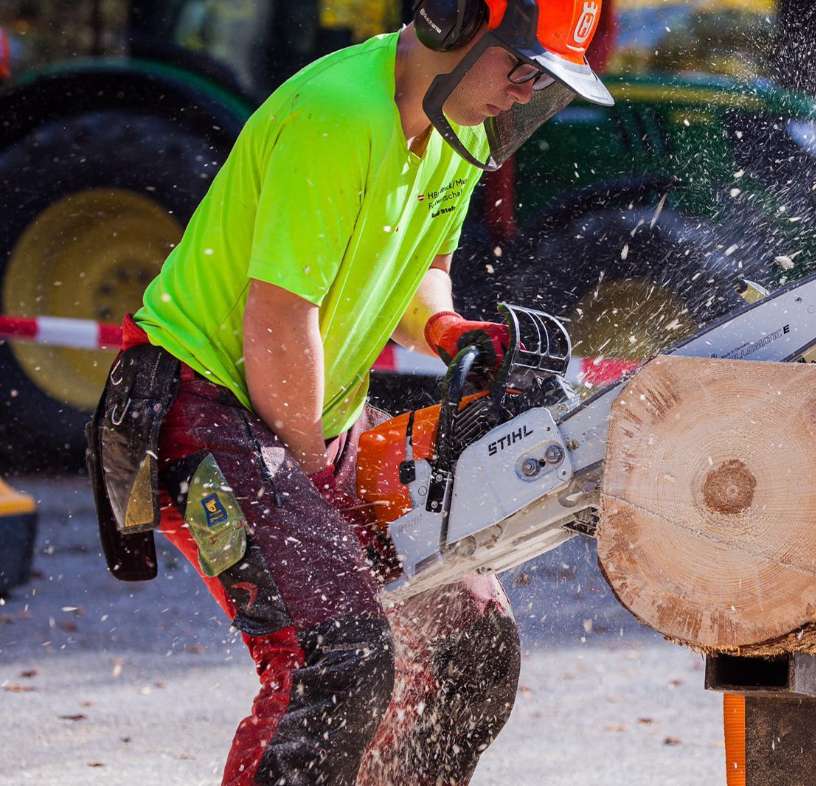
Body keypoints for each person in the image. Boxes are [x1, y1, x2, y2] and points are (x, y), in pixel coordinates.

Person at [85, 1, 613, 784]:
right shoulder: (339, 117)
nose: (524, 89)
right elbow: (278, 319)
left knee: (471, 642)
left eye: (542, 75)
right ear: (454, 22)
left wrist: (446, 332)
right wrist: (313, 481)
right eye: (521, 64)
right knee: (336, 657)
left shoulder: (459, 130)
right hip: (208, 404)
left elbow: (422, 274)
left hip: (306, 407)